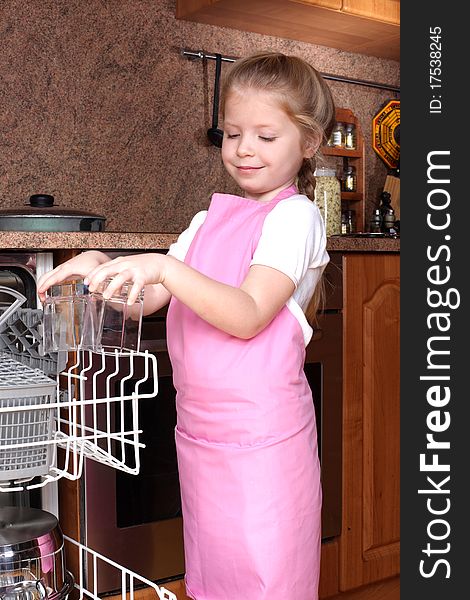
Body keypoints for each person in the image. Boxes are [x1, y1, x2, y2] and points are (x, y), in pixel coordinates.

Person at [37, 51, 335, 599]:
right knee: (215, 582)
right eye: (233, 132)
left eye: (266, 136)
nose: (245, 149)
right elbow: (147, 300)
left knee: (267, 585)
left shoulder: (296, 218)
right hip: (201, 438)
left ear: (308, 143)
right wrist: (102, 267)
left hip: (264, 447)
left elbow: (247, 315)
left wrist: (166, 266)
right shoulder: (207, 220)